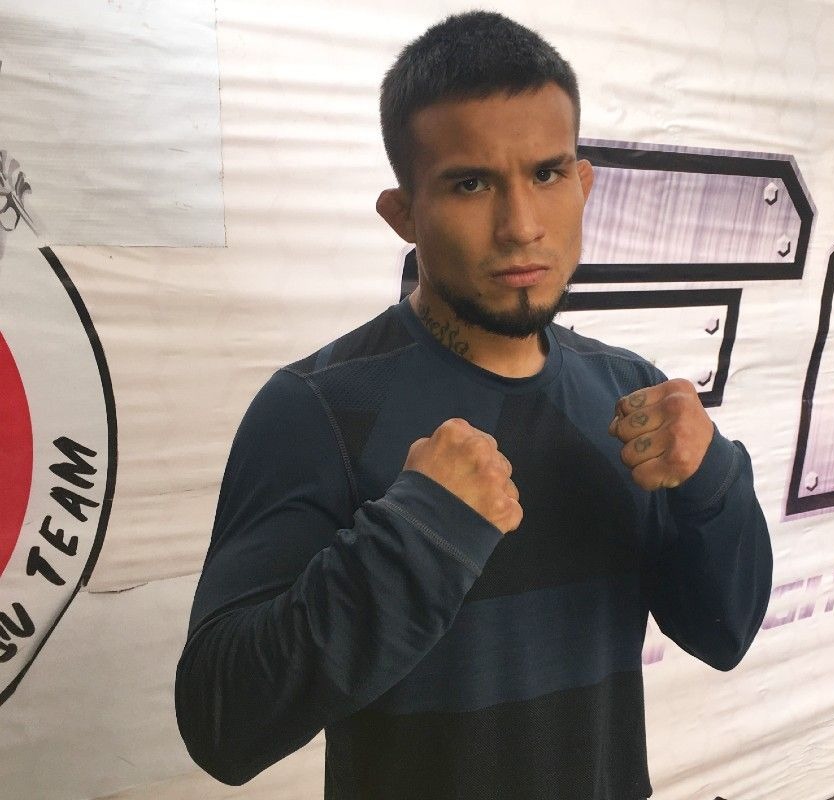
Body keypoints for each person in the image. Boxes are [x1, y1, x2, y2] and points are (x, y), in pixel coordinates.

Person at [175, 11, 772, 799]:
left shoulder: (626, 392)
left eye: (547, 175)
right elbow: (222, 726)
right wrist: (416, 538)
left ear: (584, 184)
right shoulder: (318, 408)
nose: (521, 227)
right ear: (403, 213)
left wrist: (713, 481)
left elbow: (725, 633)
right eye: (471, 183)